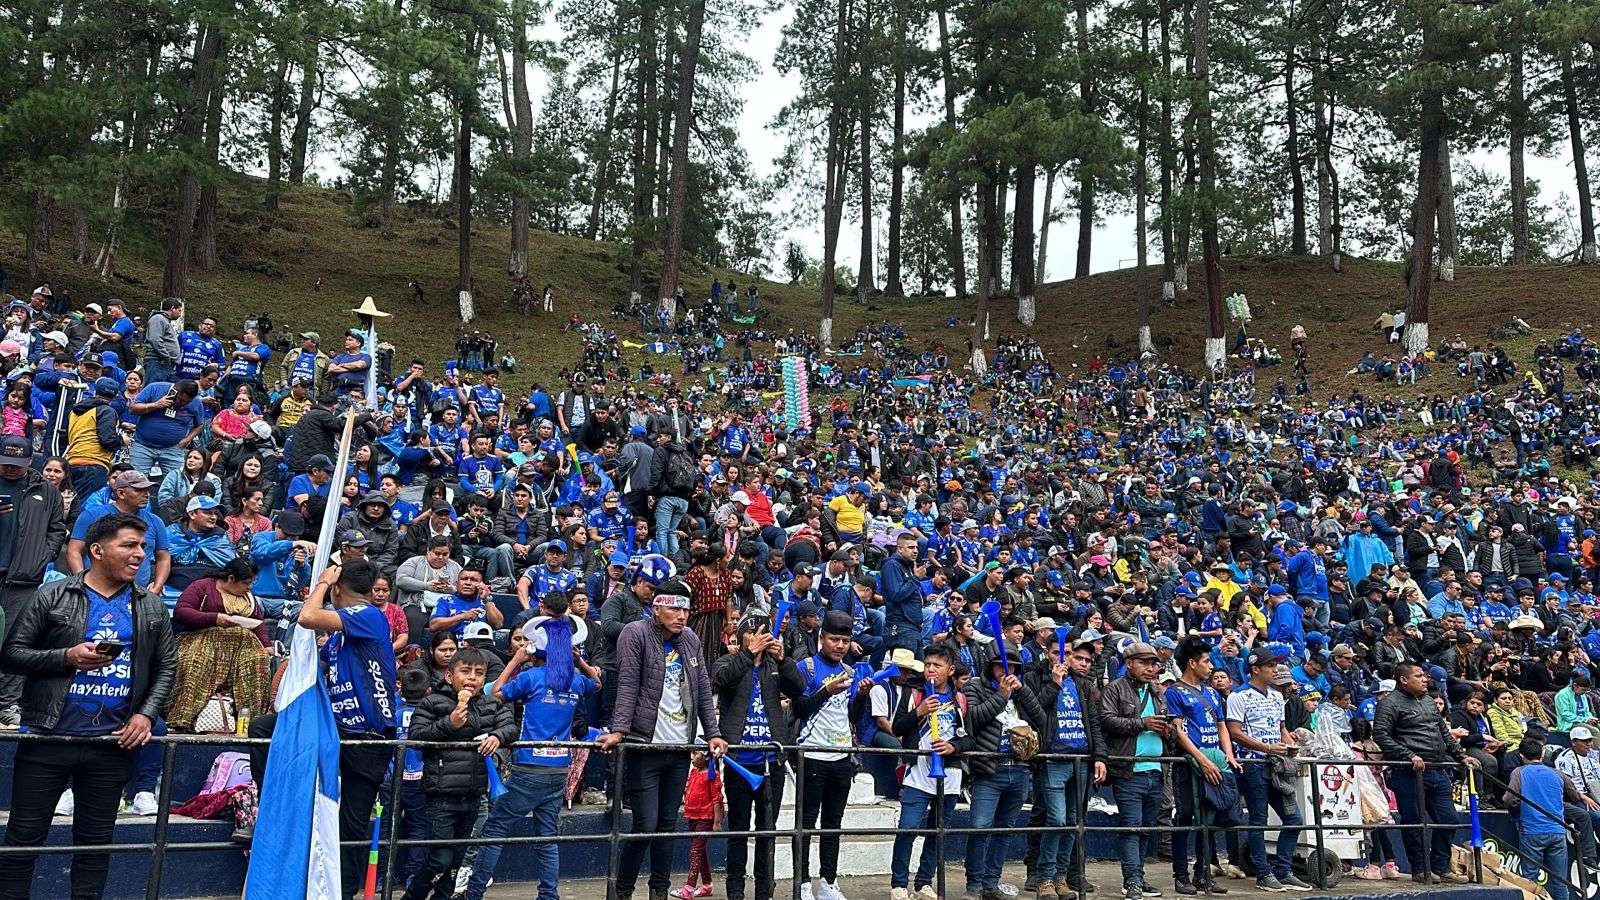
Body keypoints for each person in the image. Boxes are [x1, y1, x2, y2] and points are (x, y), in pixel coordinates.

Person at [0, 513, 175, 899]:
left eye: (143, 547)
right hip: (48, 739)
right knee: (21, 842)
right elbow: (11, 654)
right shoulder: (53, 594)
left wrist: (146, 714)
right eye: (129, 545)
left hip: (111, 745)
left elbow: (166, 667)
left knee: (95, 847)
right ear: (96, 550)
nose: (140, 555)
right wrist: (66, 657)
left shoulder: (150, 606)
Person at [246, 559, 397, 890]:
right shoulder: (343, 636)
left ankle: (344, 892)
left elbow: (308, 617)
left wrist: (322, 583)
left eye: (332, 591)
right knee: (262, 728)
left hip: (369, 738)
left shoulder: (368, 614)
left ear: (339, 589)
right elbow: (315, 648)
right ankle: (271, 799)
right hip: (337, 730)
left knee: (352, 825)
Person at [596, 578, 727, 900]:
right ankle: (622, 891)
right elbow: (627, 684)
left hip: (678, 746)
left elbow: (701, 689)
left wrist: (713, 733)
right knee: (645, 825)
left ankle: (659, 892)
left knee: (668, 827)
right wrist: (619, 729)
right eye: (673, 608)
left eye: (685, 609)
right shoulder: (634, 632)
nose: (681, 615)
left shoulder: (690, 639)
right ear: (656, 608)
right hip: (644, 744)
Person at [467, 598, 602, 900]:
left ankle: (473, 893)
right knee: (547, 838)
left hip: (528, 767)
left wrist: (515, 660)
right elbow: (597, 682)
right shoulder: (574, 681)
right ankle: (548, 895)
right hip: (558, 770)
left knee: (495, 831)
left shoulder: (530, 677)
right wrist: (577, 660)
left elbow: (496, 692)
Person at [402, 647, 516, 900]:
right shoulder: (432, 702)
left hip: (473, 795)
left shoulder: (491, 704)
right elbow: (416, 737)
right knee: (439, 859)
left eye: (478, 673)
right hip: (440, 796)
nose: (471, 678)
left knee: (455, 863)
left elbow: (510, 726)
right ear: (449, 676)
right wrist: (449, 724)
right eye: (465, 672)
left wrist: (497, 736)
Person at [712, 615, 808, 900]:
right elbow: (721, 680)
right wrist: (747, 654)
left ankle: (764, 892)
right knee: (738, 830)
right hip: (739, 761)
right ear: (741, 636)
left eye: (762, 632)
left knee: (768, 831)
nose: (758, 637)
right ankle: (735, 892)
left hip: (771, 763)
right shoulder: (728, 661)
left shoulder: (774, 666)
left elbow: (799, 687)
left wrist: (783, 659)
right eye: (751, 632)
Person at [792, 610, 873, 900]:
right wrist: (826, 690)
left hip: (841, 758)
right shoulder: (807, 667)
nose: (839, 645)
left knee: (833, 824)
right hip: (812, 755)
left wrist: (862, 696)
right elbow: (799, 709)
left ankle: (828, 881)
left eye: (845, 640)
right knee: (805, 825)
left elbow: (853, 716)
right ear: (821, 638)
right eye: (834, 639)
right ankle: (802, 883)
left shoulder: (851, 672)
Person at [1373, 661, 1475, 884]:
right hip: (1409, 771)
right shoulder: (1389, 703)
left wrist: (1460, 755)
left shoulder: (1429, 701)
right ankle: (1420, 869)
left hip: (1438, 767)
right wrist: (1408, 755)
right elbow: (1380, 735)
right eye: (1419, 676)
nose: (1424, 679)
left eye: (1424, 676)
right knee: (1414, 821)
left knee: (1448, 819)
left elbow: (1443, 732)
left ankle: (1439, 865)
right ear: (1404, 680)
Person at [1224, 646, 1311, 892]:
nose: (1275, 670)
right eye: (1271, 666)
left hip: (1276, 764)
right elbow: (1234, 732)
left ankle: (1283, 871)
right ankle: (1264, 874)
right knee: (1258, 820)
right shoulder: (1238, 695)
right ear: (1255, 669)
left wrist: (1289, 743)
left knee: (1294, 819)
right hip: (1253, 764)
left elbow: (1281, 727)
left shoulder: (1276, 696)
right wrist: (1267, 747)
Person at [888, 644, 970, 900]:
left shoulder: (960, 698)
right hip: (918, 772)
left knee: (938, 831)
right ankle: (899, 885)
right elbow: (897, 726)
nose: (931, 669)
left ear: (950, 669)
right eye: (928, 664)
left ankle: (924, 883)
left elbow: (970, 739)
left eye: (938, 665)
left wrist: (953, 746)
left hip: (951, 774)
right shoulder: (914, 694)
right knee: (908, 828)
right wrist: (920, 712)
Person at [963, 644, 1044, 900]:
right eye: (1001, 665)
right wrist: (1000, 695)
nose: (1007, 671)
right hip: (990, 769)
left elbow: (1042, 720)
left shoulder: (1021, 691)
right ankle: (974, 885)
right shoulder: (974, 686)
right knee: (979, 827)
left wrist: (1024, 693)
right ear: (990, 666)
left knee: (1004, 830)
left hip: (1020, 770)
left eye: (1013, 667)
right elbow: (972, 718)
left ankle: (991, 884)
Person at [1100, 641, 1178, 900]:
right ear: (1129, 664)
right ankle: (1131, 880)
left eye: (1153, 664)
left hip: (1156, 771)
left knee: (1146, 829)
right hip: (1129, 769)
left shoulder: (1157, 692)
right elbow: (1107, 720)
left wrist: (1169, 731)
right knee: (1132, 827)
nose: (1150, 668)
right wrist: (1142, 723)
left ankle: (1138, 878)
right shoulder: (1115, 688)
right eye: (1144, 663)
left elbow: (1167, 725)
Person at [1032, 635, 1107, 899]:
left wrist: (1100, 756)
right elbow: (1035, 710)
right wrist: (1054, 683)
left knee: (1074, 822)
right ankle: (1044, 878)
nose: (1082, 663)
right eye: (1077, 657)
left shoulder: (1085, 686)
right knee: (1057, 819)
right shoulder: (1037, 677)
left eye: (1087, 660)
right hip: (1054, 759)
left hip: (1082, 760)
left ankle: (1060, 878)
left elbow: (1094, 724)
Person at [1165, 635, 1238, 896]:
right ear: (1192, 663)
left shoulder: (1212, 693)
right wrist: (1201, 759)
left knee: (1210, 819)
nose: (1211, 666)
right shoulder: (1175, 691)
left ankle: (1203, 874)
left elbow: (1222, 726)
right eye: (1206, 661)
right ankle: (1181, 875)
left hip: (1215, 762)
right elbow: (1178, 731)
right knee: (1185, 817)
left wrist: (1227, 754)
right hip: (1189, 764)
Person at [167, 557, 271, 731]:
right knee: (198, 660)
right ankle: (181, 720)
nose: (249, 587)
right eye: (246, 583)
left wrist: (266, 645)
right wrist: (214, 618)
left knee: (258, 660)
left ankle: (250, 724)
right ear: (231, 579)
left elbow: (258, 622)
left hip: (242, 644)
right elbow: (182, 611)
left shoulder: (248, 598)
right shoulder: (203, 586)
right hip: (202, 638)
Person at [1504, 740, 1580, 900]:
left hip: (1531, 831)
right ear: (1543, 754)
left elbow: (1509, 799)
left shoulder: (1519, 772)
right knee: (1560, 880)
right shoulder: (1557, 773)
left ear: (1521, 756)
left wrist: (1517, 811)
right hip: (1557, 831)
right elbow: (1575, 795)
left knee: (1529, 879)